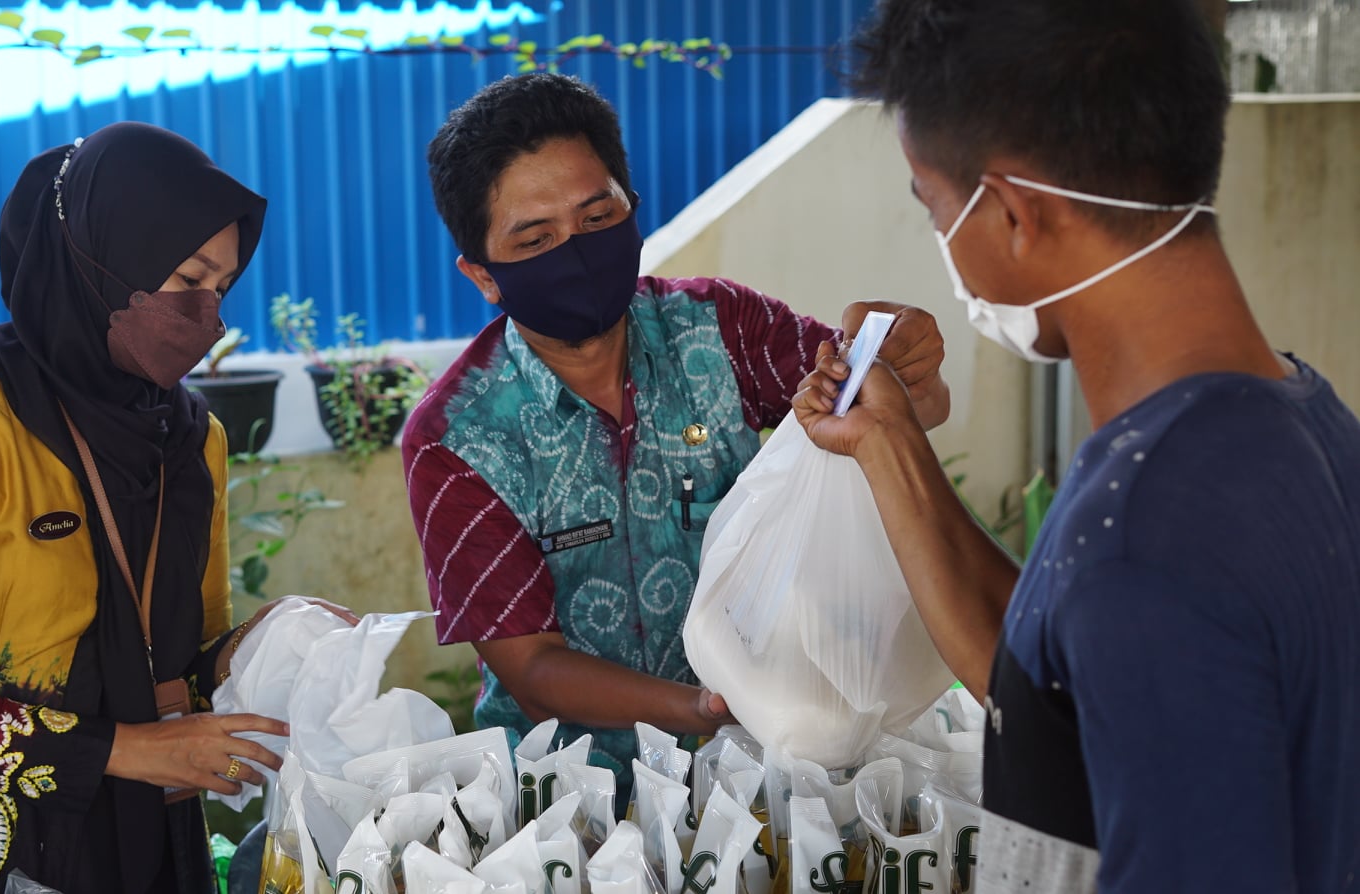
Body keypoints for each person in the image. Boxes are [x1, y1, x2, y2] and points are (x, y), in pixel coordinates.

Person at [792, 1, 1360, 890]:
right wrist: (888, 442)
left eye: (934, 207)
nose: (940, 243)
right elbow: (1055, 703)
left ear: (1014, 214)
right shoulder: (1291, 418)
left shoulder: (1143, 542)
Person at [404, 72, 951, 795]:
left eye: (598, 219)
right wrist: (708, 709)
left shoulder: (721, 330)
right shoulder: (456, 438)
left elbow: (887, 405)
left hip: (766, 776)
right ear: (483, 275)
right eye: (536, 239)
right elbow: (532, 669)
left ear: (632, 208)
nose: (575, 251)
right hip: (575, 803)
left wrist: (910, 365)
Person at [0, 122, 303, 894]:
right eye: (188, 277)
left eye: (222, 287)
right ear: (98, 260)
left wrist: (269, 643)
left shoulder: (192, 441)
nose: (208, 316)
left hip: (151, 849)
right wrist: (124, 749)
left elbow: (180, 671)